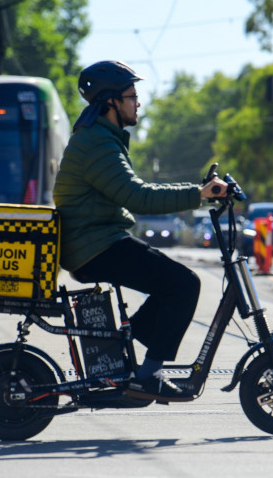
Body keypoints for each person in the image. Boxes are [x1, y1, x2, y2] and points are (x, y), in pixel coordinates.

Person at [53, 61, 228, 402]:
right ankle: (147, 376)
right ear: (110, 103)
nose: (138, 102)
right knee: (183, 283)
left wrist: (199, 192)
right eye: (132, 96)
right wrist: (199, 193)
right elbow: (137, 196)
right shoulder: (98, 145)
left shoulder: (100, 139)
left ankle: (129, 360)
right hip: (96, 245)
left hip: (96, 241)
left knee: (171, 285)